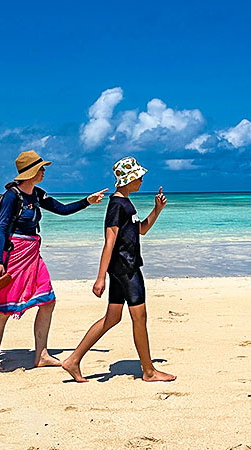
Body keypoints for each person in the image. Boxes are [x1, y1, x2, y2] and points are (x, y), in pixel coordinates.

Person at [0, 150, 108, 371]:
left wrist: (87, 201)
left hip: (33, 253)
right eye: (41, 168)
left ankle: (41, 354)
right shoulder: (12, 196)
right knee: (4, 307)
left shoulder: (37, 194)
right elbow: (2, 228)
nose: (44, 172)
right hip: (13, 255)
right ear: (31, 171)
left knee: (48, 301)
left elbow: (61, 209)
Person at [62, 156, 176, 382]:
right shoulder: (117, 205)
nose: (142, 179)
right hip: (126, 269)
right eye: (138, 176)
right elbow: (109, 241)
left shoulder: (125, 204)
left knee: (112, 317)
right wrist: (99, 278)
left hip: (122, 268)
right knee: (139, 317)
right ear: (127, 179)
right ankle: (149, 371)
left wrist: (157, 209)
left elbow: (141, 229)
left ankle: (73, 360)